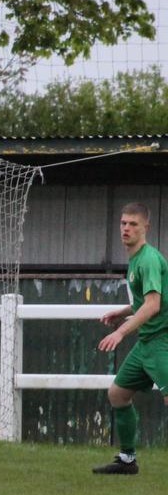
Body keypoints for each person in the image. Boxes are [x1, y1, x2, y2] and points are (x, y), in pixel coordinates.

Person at [94, 202, 166, 475]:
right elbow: (144, 302)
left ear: (145, 227)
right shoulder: (136, 259)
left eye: (133, 224)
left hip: (162, 340)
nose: (126, 228)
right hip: (147, 341)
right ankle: (127, 460)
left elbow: (153, 305)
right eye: (123, 223)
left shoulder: (147, 259)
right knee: (118, 394)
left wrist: (121, 331)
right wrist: (122, 311)